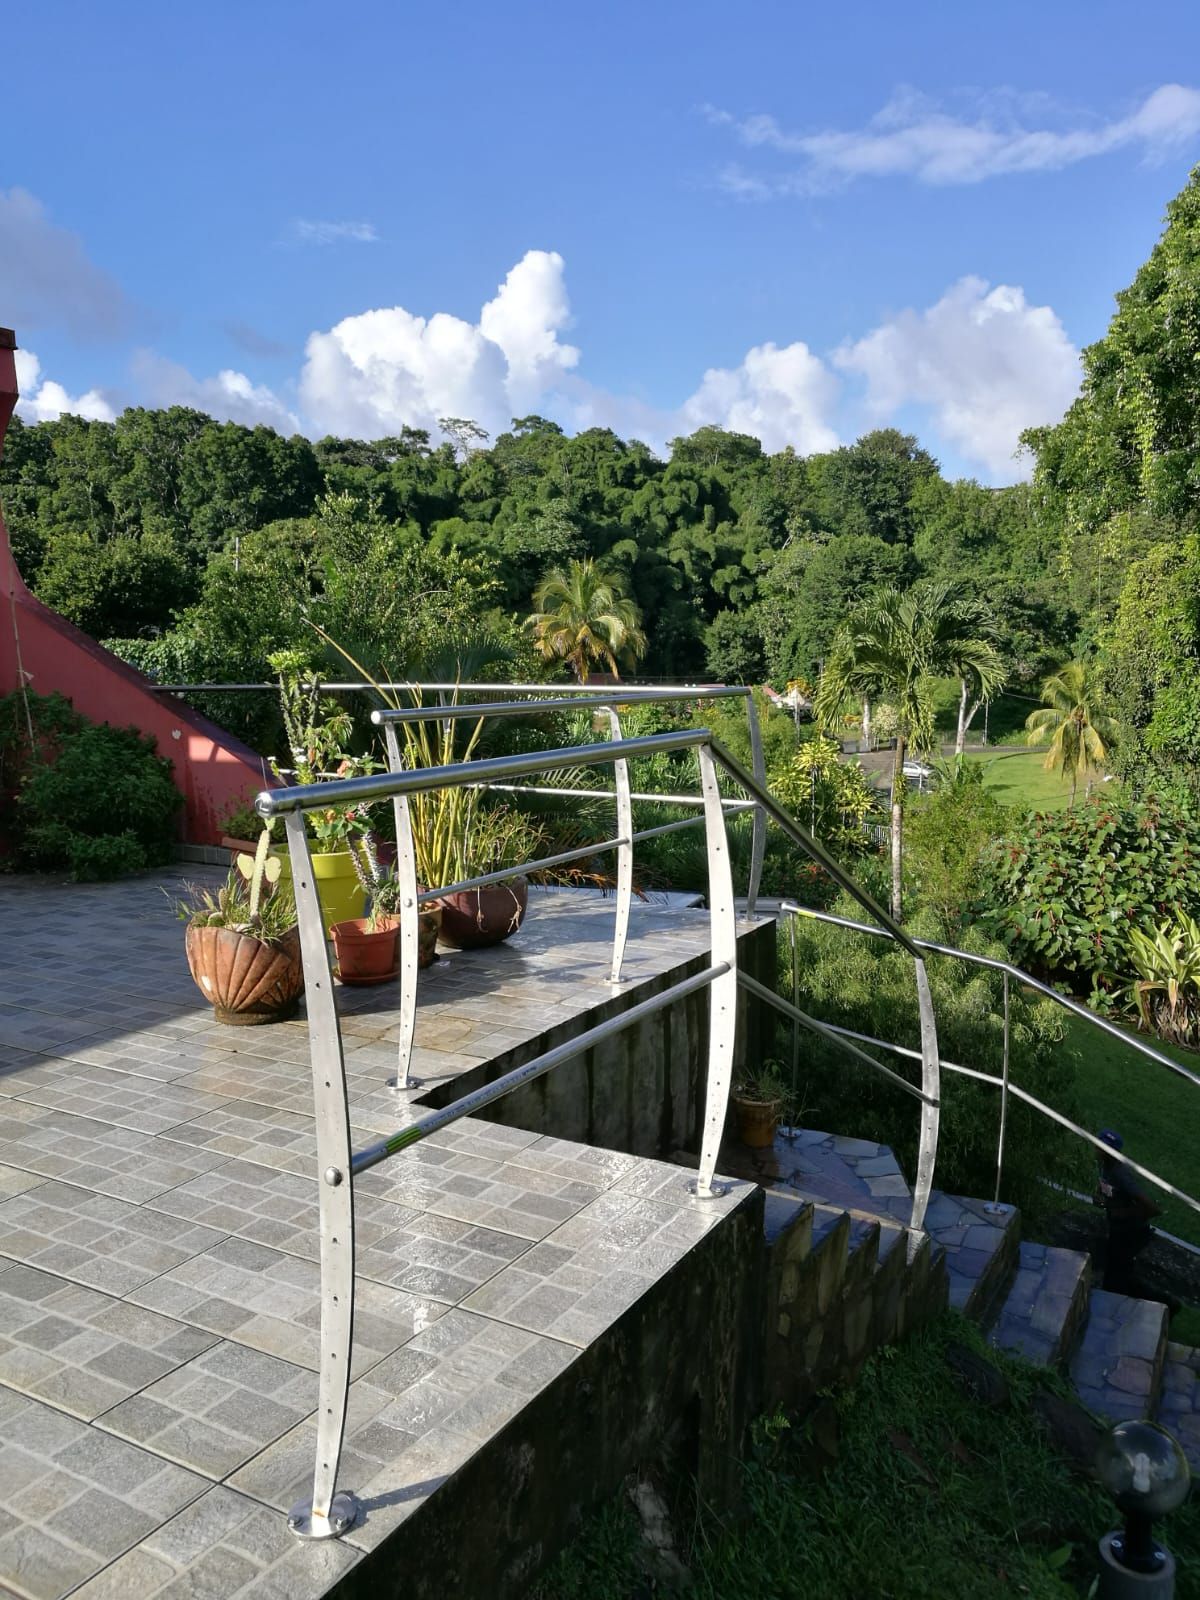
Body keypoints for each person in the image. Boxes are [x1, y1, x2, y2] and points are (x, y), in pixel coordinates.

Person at [1095, 1130, 1161, 1296]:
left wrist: (1123, 1213)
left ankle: (1165, 1302)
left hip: (1130, 1234)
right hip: (1118, 1230)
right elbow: (1107, 1192)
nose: (1099, 1150)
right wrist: (1102, 1200)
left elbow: (1151, 1208)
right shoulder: (1105, 1167)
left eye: (1104, 1148)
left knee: (1120, 1277)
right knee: (1114, 1272)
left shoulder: (1120, 1174)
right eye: (1099, 1145)